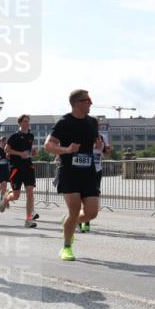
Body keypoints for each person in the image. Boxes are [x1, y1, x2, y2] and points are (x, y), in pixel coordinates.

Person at [45, 89, 101, 261]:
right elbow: (48, 146)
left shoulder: (93, 122)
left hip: (89, 172)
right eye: (87, 100)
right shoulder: (64, 122)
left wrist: (102, 148)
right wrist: (67, 150)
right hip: (69, 172)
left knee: (92, 213)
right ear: (77, 103)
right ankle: (66, 247)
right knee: (75, 210)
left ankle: (69, 222)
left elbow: (96, 143)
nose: (91, 103)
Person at [0, 114, 38, 228]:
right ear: (20, 123)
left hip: (28, 167)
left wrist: (33, 154)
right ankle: (6, 198)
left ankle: (28, 220)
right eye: (25, 121)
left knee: (30, 193)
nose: (27, 123)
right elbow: (6, 150)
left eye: (28, 121)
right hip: (16, 168)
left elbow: (28, 152)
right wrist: (20, 154)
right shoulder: (14, 136)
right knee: (16, 195)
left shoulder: (31, 136)